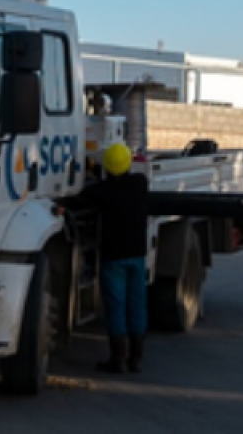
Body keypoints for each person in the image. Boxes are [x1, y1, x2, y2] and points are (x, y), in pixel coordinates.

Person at [81, 142, 150, 373]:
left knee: (116, 307)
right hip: (137, 257)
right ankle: (137, 358)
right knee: (137, 305)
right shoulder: (140, 185)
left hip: (114, 259)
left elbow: (85, 194)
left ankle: (117, 359)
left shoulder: (102, 191)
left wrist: (90, 171)